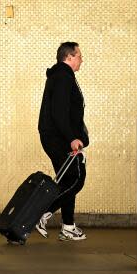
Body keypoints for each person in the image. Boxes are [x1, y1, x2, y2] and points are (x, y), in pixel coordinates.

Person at [36, 42, 89, 241]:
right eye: (79, 56)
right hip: (60, 138)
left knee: (67, 179)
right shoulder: (63, 77)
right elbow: (59, 113)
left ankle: (68, 226)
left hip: (57, 136)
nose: (82, 60)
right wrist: (72, 138)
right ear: (69, 57)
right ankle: (43, 212)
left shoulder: (61, 76)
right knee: (76, 178)